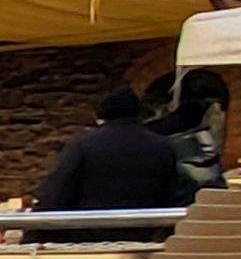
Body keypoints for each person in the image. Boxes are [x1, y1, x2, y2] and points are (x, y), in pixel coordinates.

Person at [34, 88, 190, 241]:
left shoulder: (84, 145)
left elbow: (55, 193)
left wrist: (33, 232)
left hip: (89, 238)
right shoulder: (163, 147)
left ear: (102, 114)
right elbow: (172, 194)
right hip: (144, 239)